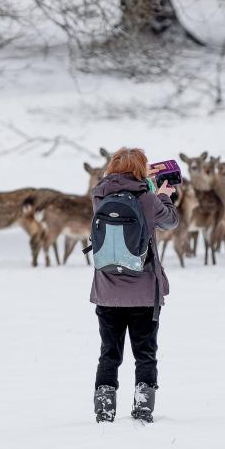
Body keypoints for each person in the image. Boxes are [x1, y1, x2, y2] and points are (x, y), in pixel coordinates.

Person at [90, 148, 178, 423]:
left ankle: (104, 407)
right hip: (142, 293)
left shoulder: (99, 194)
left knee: (109, 352)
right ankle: (143, 407)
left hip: (106, 291)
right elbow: (170, 221)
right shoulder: (147, 197)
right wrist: (163, 195)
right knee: (145, 353)